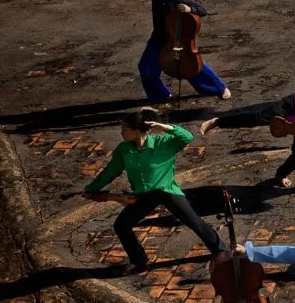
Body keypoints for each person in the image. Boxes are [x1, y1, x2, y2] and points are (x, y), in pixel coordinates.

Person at [85, 109, 225, 273]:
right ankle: (139, 261)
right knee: (121, 225)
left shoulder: (164, 143)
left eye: (125, 129)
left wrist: (162, 126)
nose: (121, 133)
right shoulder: (124, 149)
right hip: (143, 195)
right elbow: (110, 171)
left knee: (194, 222)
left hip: (166, 191)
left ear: (137, 131)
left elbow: (187, 136)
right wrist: (92, 188)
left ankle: (222, 251)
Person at [115, 0, 231, 103]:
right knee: (146, 68)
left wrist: (190, 9)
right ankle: (160, 95)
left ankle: (220, 88)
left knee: (192, 67)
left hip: (178, 41)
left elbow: (202, 10)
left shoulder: (181, 0)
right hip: (158, 39)